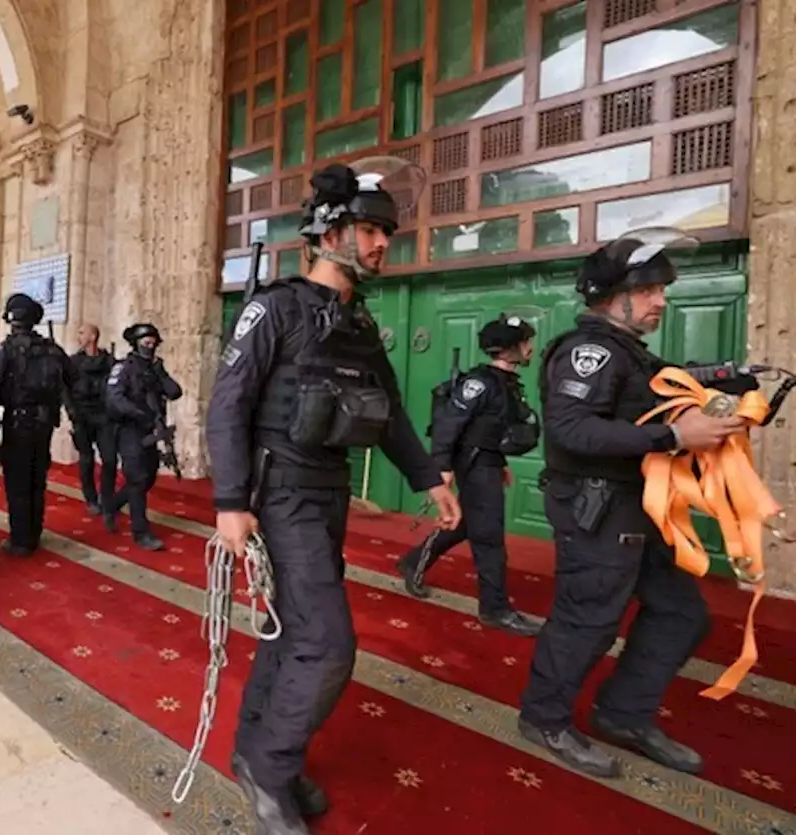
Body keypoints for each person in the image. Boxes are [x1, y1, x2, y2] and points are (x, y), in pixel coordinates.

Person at [206, 159, 462, 834]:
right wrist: (230, 500)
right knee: (327, 644)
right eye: (370, 229)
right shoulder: (273, 308)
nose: (383, 244)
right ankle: (269, 764)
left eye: (387, 233)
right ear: (327, 230)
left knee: (290, 631)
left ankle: (255, 750)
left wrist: (429, 477)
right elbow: (226, 407)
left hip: (328, 494)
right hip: (279, 491)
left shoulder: (358, 324)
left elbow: (393, 414)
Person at [517, 228, 740, 778]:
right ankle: (543, 717)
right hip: (598, 509)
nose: (661, 300)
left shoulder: (633, 355)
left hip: (644, 506)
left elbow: (642, 414)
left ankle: (622, 714)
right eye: (648, 290)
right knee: (588, 621)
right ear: (611, 295)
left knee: (682, 614)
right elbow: (571, 430)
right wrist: (673, 438)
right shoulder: (589, 352)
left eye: (661, 290)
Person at [395, 314, 541, 636]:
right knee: (489, 536)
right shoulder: (479, 383)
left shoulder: (505, 382)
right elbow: (449, 424)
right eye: (526, 342)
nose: (530, 348)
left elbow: (492, 429)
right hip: (473, 465)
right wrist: (442, 468)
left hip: (486, 463)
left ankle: (412, 562)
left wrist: (499, 462)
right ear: (509, 348)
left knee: (466, 525)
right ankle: (495, 609)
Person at [0, 293, 76, 557]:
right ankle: (34, 533)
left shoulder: (7, 349)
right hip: (45, 422)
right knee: (38, 479)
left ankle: (20, 540)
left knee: (18, 481)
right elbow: (73, 378)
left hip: (18, 421)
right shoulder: (52, 348)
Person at [102, 323, 183, 549]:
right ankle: (141, 532)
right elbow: (115, 399)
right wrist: (139, 414)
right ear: (135, 343)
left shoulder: (156, 368)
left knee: (147, 479)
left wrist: (160, 374)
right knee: (137, 480)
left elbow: (175, 392)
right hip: (130, 431)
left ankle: (112, 505)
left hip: (152, 432)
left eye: (153, 340)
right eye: (145, 340)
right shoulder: (124, 368)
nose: (150, 344)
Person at [67, 324, 118, 516]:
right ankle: (91, 498)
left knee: (110, 459)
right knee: (86, 459)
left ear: (93, 336)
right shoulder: (73, 363)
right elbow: (65, 388)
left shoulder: (109, 362)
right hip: (82, 416)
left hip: (104, 416)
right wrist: (71, 410)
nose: (78, 336)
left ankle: (107, 499)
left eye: (82, 332)